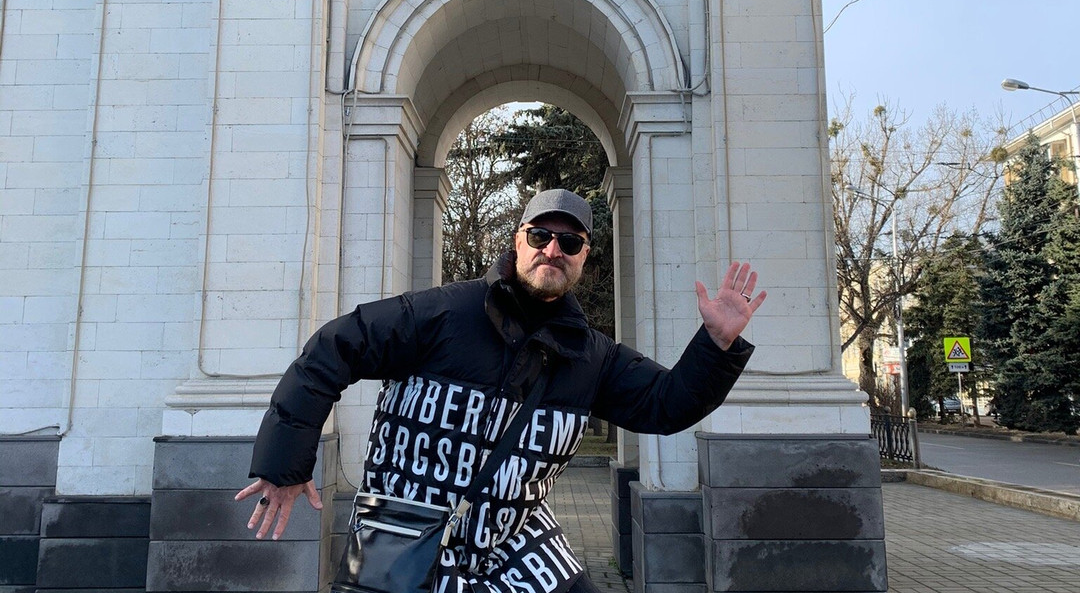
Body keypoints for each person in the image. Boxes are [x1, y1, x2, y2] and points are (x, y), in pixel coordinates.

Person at [237, 188, 766, 593]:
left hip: (513, 541)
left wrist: (715, 345)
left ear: (584, 258)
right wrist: (286, 464)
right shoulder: (444, 312)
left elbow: (665, 403)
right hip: (405, 535)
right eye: (541, 236)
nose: (553, 250)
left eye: (571, 242)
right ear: (518, 242)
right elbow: (335, 347)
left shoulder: (593, 356)